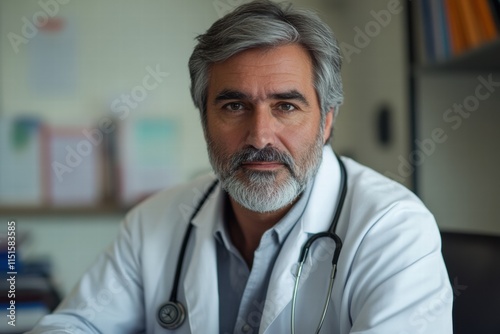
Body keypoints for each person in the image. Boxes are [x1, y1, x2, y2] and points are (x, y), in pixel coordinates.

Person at [28, 1, 453, 333]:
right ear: (204, 119)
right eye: (234, 106)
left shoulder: (394, 230)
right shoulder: (154, 222)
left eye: (286, 106)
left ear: (326, 121)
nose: (260, 136)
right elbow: (70, 324)